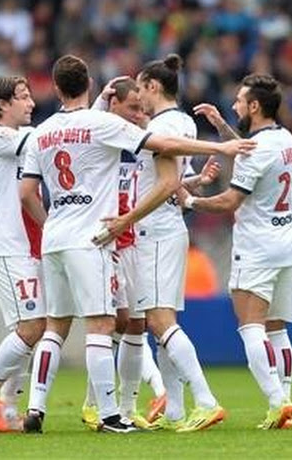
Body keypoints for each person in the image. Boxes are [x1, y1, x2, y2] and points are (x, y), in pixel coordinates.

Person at [19, 54, 253, 434]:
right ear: (91, 85)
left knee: (55, 327)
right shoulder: (103, 124)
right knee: (102, 324)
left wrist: (50, 226)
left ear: (57, 88)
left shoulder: (41, 133)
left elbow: (27, 192)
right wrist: (221, 148)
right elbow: (161, 143)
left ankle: (36, 408)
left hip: (55, 237)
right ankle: (111, 415)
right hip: (91, 236)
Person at [92, 54, 227, 433]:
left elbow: (165, 183)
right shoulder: (181, 120)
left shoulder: (164, 124)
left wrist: (126, 219)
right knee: (162, 322)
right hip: (169, 228)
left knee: (158, 321)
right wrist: (196, 183)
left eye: (140, 89)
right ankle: (174, 411)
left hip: (153, 231)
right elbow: (169, 184)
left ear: (153, 86)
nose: (138, 97)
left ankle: (206, 401)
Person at [184, 74, 292, 429]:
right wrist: (220, 126)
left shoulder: (260, 149)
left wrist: (189, 200)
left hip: (257, 245)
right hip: (287, 239)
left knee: (251, 326)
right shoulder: (286, 139)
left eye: (238, 101)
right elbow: (250, 153)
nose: (233, 106)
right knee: (277, 327)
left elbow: (229, 200)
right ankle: (286, 399)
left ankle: (277, 402)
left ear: (254, 106)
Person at [81, 77, 167, 429]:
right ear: (112, 105)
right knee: (110, 324)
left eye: (141, 108)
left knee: (134, 324)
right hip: (106, 240)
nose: (137, 114)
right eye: (132, 108)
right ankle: (97, 406)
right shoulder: (99, 132)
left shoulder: (135, 140)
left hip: (132, 240)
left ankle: (127, 409)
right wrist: (100, 101)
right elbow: (81, 126)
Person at [0, 76, 47, 433]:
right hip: (7, 245)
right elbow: (49, 139)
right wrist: (86, 116)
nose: (30, 103)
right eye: (23, 97)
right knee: (32, 328)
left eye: (30, 96)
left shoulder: (20, 142)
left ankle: (10, 409)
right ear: (2, 105)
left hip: (27, 246)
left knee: (29, 330)